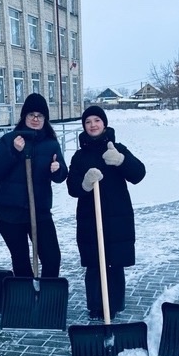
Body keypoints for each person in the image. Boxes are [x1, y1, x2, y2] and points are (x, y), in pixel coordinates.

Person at [66, 106, 146, 320]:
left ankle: (114, 304)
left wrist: (121, 161)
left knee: (115, 262)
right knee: (94, 263)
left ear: (104, 124)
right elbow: (72, 188)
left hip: (117, 215)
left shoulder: (117, 148)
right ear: (84, 126)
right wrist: (84, 184)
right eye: (88, 121)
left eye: (97, 120)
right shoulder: (79, 156)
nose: (93, 125)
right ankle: (95, 305)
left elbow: (139, 174)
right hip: (89, 217)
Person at [0, 93, 67, 277]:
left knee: (52, 257)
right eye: (31, 115)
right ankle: (27, 298)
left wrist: (58, 169)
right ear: (24, 116)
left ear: (45, 118)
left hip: (39, 211)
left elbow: (62, 175)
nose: (36, 119)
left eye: (40, 115)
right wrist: (14, 151)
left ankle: (46, 297)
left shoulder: (51, 144)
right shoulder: (10, 139)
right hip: (9, 212)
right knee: (21, 259)